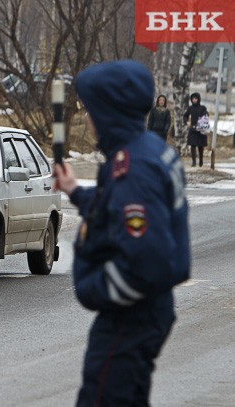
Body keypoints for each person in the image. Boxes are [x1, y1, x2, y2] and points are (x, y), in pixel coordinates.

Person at [52, 60, 190, 406]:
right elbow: (114, 211)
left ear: (109, 112)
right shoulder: (147, 151)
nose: (86, 118)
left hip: (130, 316)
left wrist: (92, 289)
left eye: (91, 109)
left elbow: (145, 262)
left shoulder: (134, 168)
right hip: (144, 311)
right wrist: (75, 192)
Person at [183, 92, 209, 167]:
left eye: (195, 98)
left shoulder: (203, 108)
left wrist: (205, 115)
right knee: (193, 145)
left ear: (198, 99)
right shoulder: (190, 108)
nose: (194, 100)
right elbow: (185, 116)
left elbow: (206, 114)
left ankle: (201, 160)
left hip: (201, 129)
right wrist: (186, 122)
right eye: (193, 99)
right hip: (193, 129)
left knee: (201, 146)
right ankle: (194, 161)